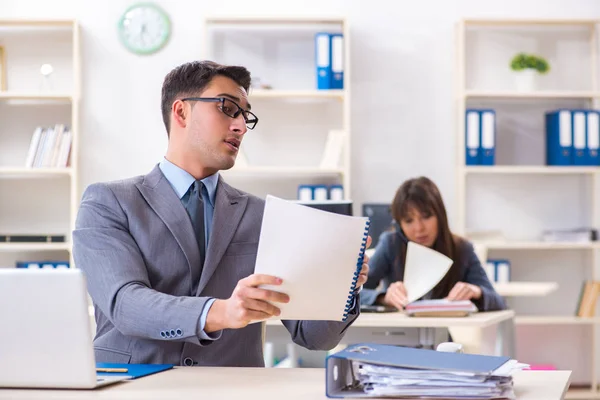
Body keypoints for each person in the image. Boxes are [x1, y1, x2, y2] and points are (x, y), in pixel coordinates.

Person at [73, 60, 370, 367]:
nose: (240, 125)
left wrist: (343, 284)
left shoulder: (262, 214)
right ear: (181, 112)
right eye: (228, 108)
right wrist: (222, 311)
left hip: (234, 390)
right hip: (134, 386)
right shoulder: (107, 202)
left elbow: (314, 337)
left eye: (245, 115)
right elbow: (125, 305)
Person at [361, 177, 505, 312]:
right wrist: (383, 297)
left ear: (440, 216)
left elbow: (499, 303)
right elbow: (354, 295)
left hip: (439, 335)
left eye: (426, 216)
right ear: (399, 224)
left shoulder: (461, 249)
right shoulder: (391, 243)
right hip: (397, 334)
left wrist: (477, 292)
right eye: (409, 221)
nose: (419, 228)